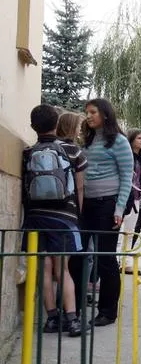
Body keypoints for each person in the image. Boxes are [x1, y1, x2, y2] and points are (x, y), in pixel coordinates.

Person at [22, 105, 87, 337]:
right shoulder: (73, 151)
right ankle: (72, 320)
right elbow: (79, 187)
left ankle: (51, 318)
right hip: (64, 217)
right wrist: (78, 216)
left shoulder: (28, 152)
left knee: (44, 267)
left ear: (33, 126)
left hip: (35, 217)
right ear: (56, 124)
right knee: (62, 268)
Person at [68, 98, 133, 327]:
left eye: (93, 112)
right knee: (77, 256)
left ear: (105, 114)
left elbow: (127, 176)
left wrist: (119, 208)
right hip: (85, 204)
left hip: (108, 205)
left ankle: (107, 312)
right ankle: (73, 310)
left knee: (105, 258)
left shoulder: (119, 142)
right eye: (87, 112)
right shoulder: (87, 140)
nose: (88, 116)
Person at [122, 129, 141, 275]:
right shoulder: (127, 156)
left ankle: (126, 262)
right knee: (121, 231)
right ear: (131, 140)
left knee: (130, 231)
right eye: (139, 138)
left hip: (136, 197)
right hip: (125, 197)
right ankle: (119, 260)